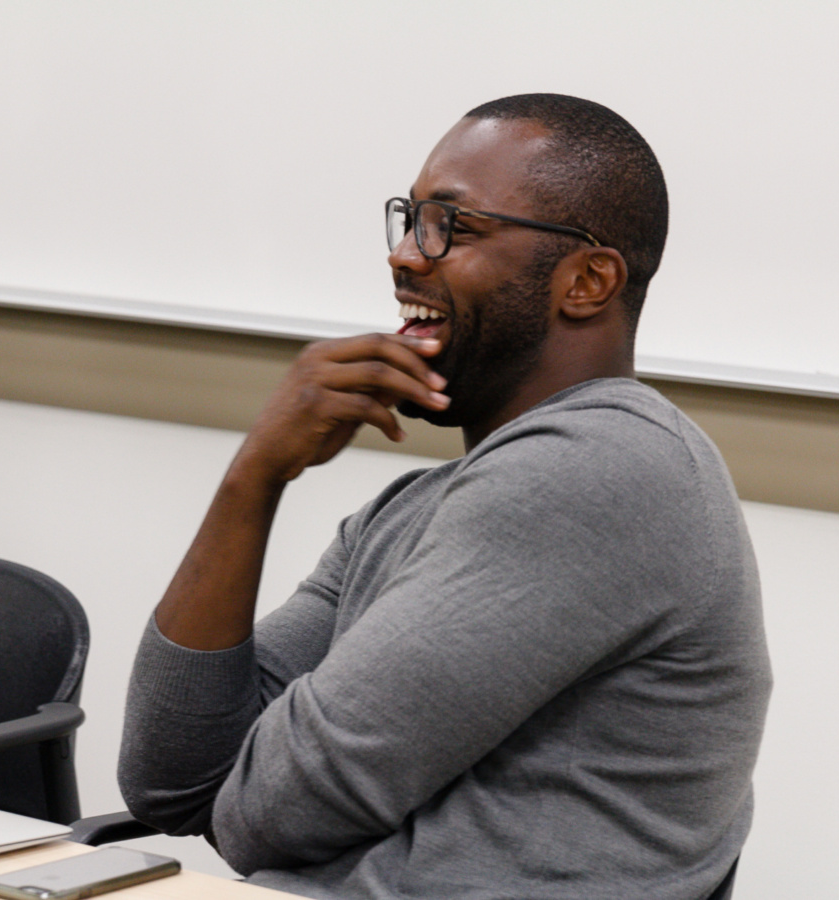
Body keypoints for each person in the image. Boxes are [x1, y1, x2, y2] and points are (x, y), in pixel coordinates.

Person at [119, 93, 772, 900]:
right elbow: (172, 784)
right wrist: (253, 478)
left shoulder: (597, 469)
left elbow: (264, 818)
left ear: (586, 281)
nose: (404, 255)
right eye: (409, 219)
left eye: (451, 227)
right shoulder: (411, 508)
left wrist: (255, 777)